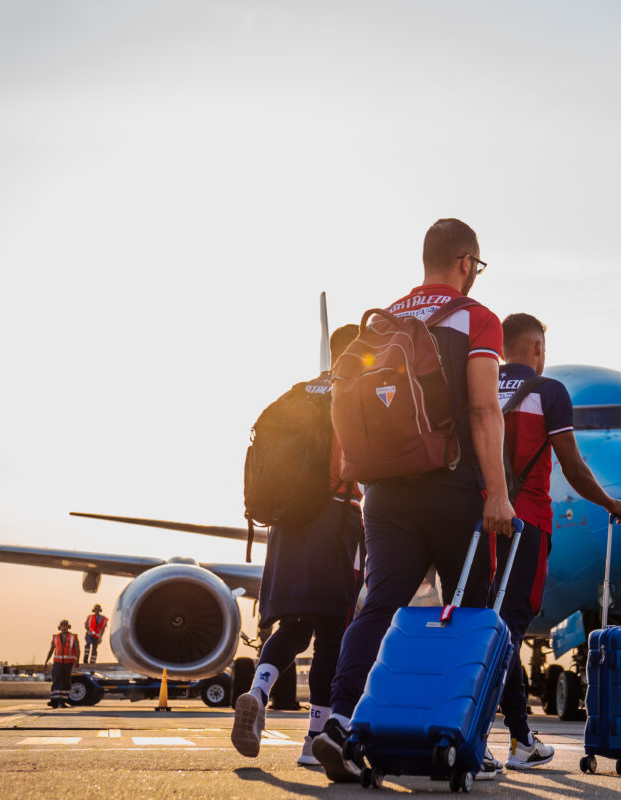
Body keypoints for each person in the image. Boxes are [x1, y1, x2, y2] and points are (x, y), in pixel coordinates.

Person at [313, 219, 516, 783]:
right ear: (466, 262)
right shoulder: (476, 318)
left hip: (383, 491)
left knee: (379, 606)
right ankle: (462, 733)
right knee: (471, 612)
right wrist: (497, 493)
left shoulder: (384, 320)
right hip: (451, 487)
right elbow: (482, 410)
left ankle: (339, 719)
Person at [494, 313, 621, 768]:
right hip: (526, 523)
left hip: (477, 523)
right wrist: (611, 504)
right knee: (508, 630)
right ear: (536, 348)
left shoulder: (478, 386)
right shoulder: (549, 391)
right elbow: (573, 469)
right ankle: (494, 738)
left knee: (487, 626)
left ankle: (513, 736)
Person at [231, 324, 365, 768]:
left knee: (293, 628)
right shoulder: (355, 389)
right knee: (333, 634)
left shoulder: (297, 394)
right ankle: (313, 741)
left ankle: (257, 691)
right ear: (360, 350)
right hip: (336, 517)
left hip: (287, 526)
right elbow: (354, 462)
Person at [43, 619, 79, 709]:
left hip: (68, 664)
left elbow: (77, 649)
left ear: (68, 627)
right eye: (62, 626)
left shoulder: (73, 637)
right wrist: (46, 662)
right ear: (60, 627)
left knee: (66, 682)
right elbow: (51, 650)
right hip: (57, 663)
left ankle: (63, 701)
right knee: (56, 681)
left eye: (65, 625)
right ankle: (54, 701)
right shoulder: (55, 637)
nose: (64, 627)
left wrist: (77, 661)